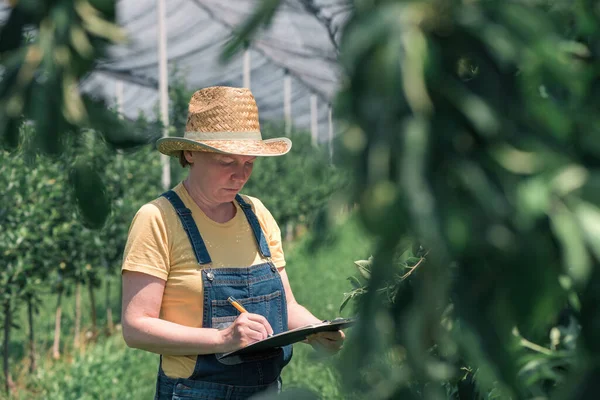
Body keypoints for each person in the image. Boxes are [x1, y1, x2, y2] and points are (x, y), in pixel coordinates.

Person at [121, 86, 345, 400]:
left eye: (248, 163)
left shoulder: (258, 215)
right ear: (190, 154)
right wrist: (223, 338)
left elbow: (287, 306)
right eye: (227, 162)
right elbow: (136, 327)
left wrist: (316, 330)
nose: (239, 176)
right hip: (196, 393)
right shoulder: (158, 219)